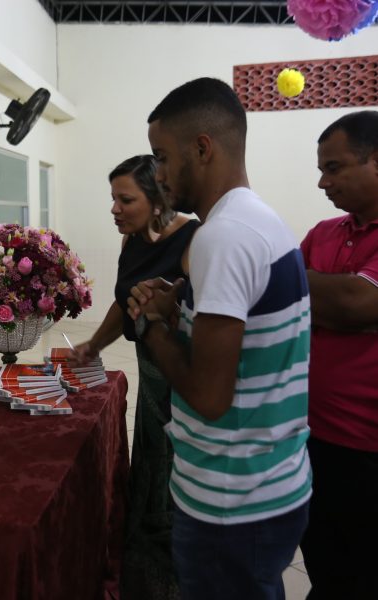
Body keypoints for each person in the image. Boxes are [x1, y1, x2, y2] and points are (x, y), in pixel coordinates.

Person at [127, 77, 311, 599]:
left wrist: (154, 325)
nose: (158, 175)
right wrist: (180, 300)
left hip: (231, 502)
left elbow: (209, 396)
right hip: (268, 483)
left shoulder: (222, 237)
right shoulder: (257, 220)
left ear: (202, 148)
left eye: (161, 158)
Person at [71, 155, 198, 599]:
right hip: (151, 381)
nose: (114, 209)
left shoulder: (192, 239)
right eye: (113, 199)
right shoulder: (132, 242)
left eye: (126, 199)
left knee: (172, 492)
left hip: (183, 387)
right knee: (149, 479)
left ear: (158, 198)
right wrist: (94, 345)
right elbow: (124, 302)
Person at [299, 111, 378, 599]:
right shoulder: (324, 232)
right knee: (325, 566)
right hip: (308, 437)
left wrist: (343, 304)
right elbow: (276, 299)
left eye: (335, 167)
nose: (323, 181)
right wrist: (340, 304)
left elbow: (358, 303)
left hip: (369, 449)